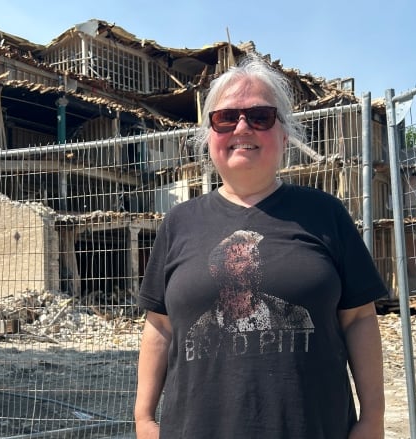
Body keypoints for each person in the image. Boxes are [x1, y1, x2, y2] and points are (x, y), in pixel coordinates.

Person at [135, 54, 387, 438]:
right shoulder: (179, 223)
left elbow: (359, 319)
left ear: (284, 135)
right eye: (225, 117)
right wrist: (145, 420)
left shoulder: (324, 215)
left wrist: (372, 420)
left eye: (260, 117)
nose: (242, 127)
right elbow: (160, 327)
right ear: (209, 137)